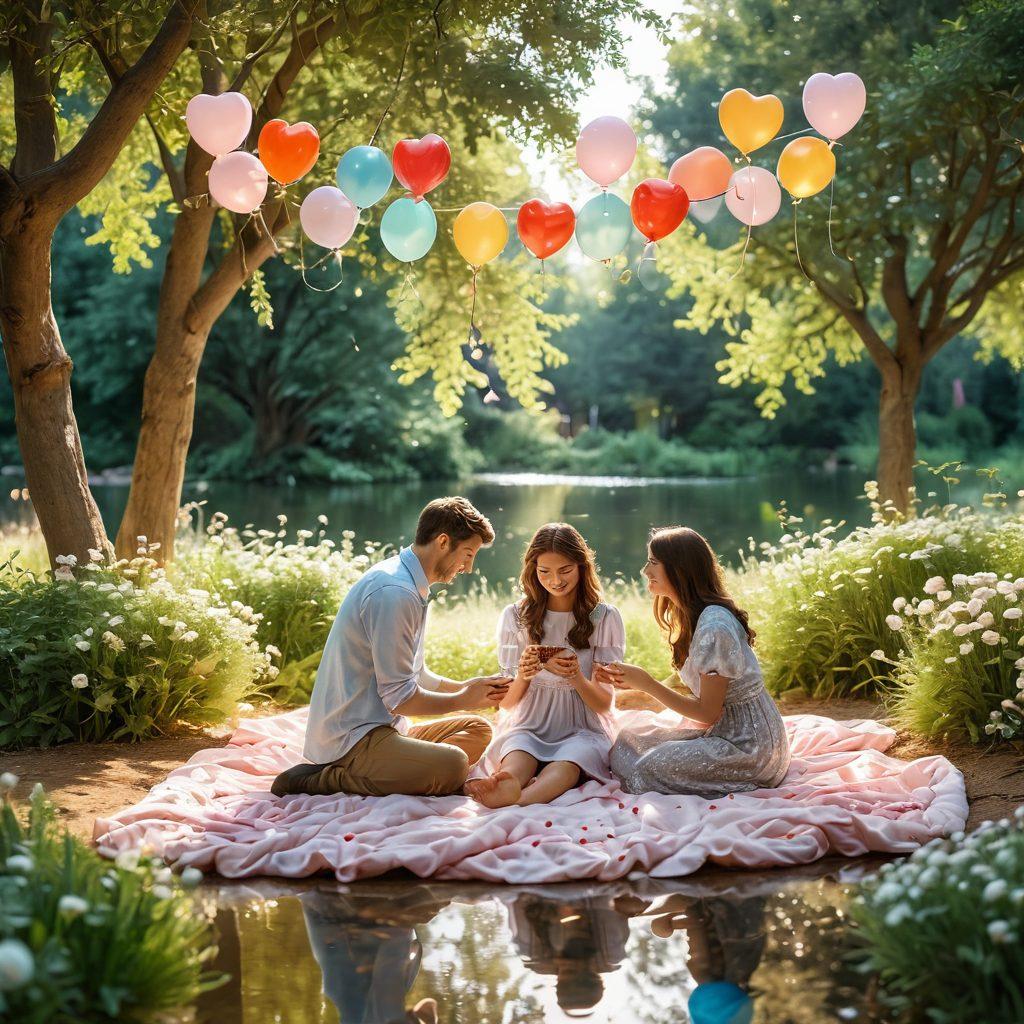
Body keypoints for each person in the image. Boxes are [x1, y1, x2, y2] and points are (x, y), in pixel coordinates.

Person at [271, 496, 509, 799]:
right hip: (352, 738)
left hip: (385, 729)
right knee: (453, 766)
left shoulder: (410, 583)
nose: (469, 568)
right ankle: (324, 778)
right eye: (467, 554)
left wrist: (465, 687)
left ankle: (400, 765)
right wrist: (463, 698)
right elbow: (400, 698)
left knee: (479, 731)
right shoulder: (395, 593)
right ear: (443, 541)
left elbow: (416, 674)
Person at [601, 526, 790, 797]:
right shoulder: (694, 615)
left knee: (646, 769)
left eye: (653, 562)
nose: (645, 571)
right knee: (625, 743)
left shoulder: (714, 627)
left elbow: (707, 712)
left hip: (752, 749)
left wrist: (647, 684)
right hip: (726, 731)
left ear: (679, 570)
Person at [465, 523, 625, 808]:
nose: (555, 581)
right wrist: (524, 676)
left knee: (572, 761)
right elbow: (507, 704)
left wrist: (576, 677)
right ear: (532, 569)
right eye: (544, 572)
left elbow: (603, 705)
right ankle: (507, 783)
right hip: (529, 720)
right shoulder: (516, 616)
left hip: (581, 725)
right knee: (518, 750)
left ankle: (519, 802)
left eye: (565, 570)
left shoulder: (604, 617)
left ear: (581, 566)